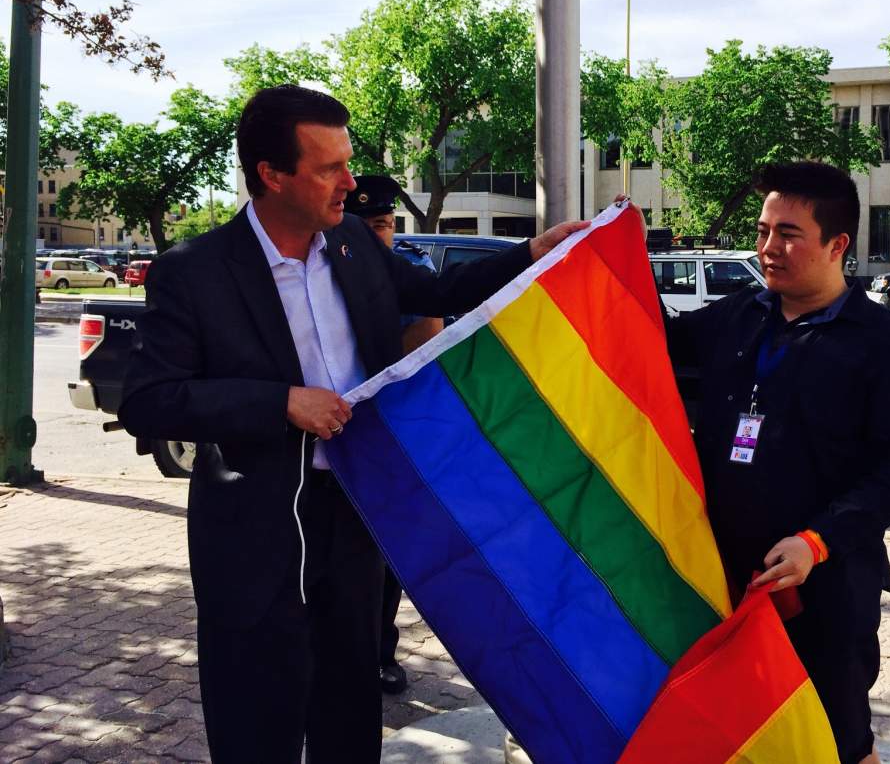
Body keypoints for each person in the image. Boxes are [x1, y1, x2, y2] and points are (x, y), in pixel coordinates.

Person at [119, 84, 587, 764]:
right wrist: (281, 401)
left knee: (348, 697)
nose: (350, 183)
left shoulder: (350, 244)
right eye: (330, 168)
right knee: (256, 708)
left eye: (348, 163)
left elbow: (437, 291)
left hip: (357, 511)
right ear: (271, 175)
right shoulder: (194, 272)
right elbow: (148, 399)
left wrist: (533, 251)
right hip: (255, 526)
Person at [660, 161, 890, 764]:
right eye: (763, 231)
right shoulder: (740, 315)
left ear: (838, 245)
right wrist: (597, 262)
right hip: (722, 578)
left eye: (788, 234)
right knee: (730, 728)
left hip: (823, 587)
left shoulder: (887, 344)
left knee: (835, 737)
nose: (768, 248)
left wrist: (817, 541)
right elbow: (647, 340)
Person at [342, 172, 442, 696]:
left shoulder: (411, 268)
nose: (376, 234)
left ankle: (381, 654)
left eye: (383, 224)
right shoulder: (324, 265)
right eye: (365, 225)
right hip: (330, 428)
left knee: (382, 552)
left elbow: (427, 336)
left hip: (391, 425)